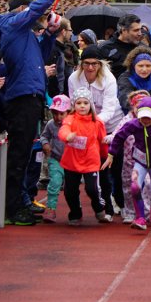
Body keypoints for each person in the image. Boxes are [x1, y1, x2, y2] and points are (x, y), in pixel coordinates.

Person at [0, 0, 77, 226]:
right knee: (18, 155)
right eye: (30, 11)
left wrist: (50, 34)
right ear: (21, 10)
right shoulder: (14, 24)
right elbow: (41, 4)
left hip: (31, 95)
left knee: (23, 154)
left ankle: (15, 202)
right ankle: (9, 207)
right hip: (22, 97)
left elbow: (39, 56)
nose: (37, 16)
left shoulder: (23, 32)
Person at [104, 96, 151, 230]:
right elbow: (119, 137)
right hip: (140, 162)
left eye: (149, 117)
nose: (145, 120)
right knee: (134, 186)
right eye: (143, 117)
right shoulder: (133, 124)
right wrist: (111, 154)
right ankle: (140, 217)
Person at [59, 87, 110, 226]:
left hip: (90, 161)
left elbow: (102, 140)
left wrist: (105, 156)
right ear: (74, 105)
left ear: (90, 105)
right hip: (72, 161)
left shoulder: (97, 122)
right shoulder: (70, 119)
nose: (82, 106)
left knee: (92, 189)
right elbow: (63, 130)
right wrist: (67, 136)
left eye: (85, 103)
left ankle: (98, 207)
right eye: (79, 103)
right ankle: (75, 213)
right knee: (70, 191)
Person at [39, 95, 71, 223]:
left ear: (68, 112)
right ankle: (50, 208)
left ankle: (76, 209)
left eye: (61, 114)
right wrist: (45, 144)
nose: (58, 117)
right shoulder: (51, 124)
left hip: (71, 162)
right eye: (55, 114)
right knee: (55, 183)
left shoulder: (73, 124)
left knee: (71, 188)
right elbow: (44, 136)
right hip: (56, 159)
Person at [100, 14, 145, 78]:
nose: (140, 33)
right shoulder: (105, 47)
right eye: (136, 30)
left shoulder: (143, 48)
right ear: (124, 30)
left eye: (140, 29)